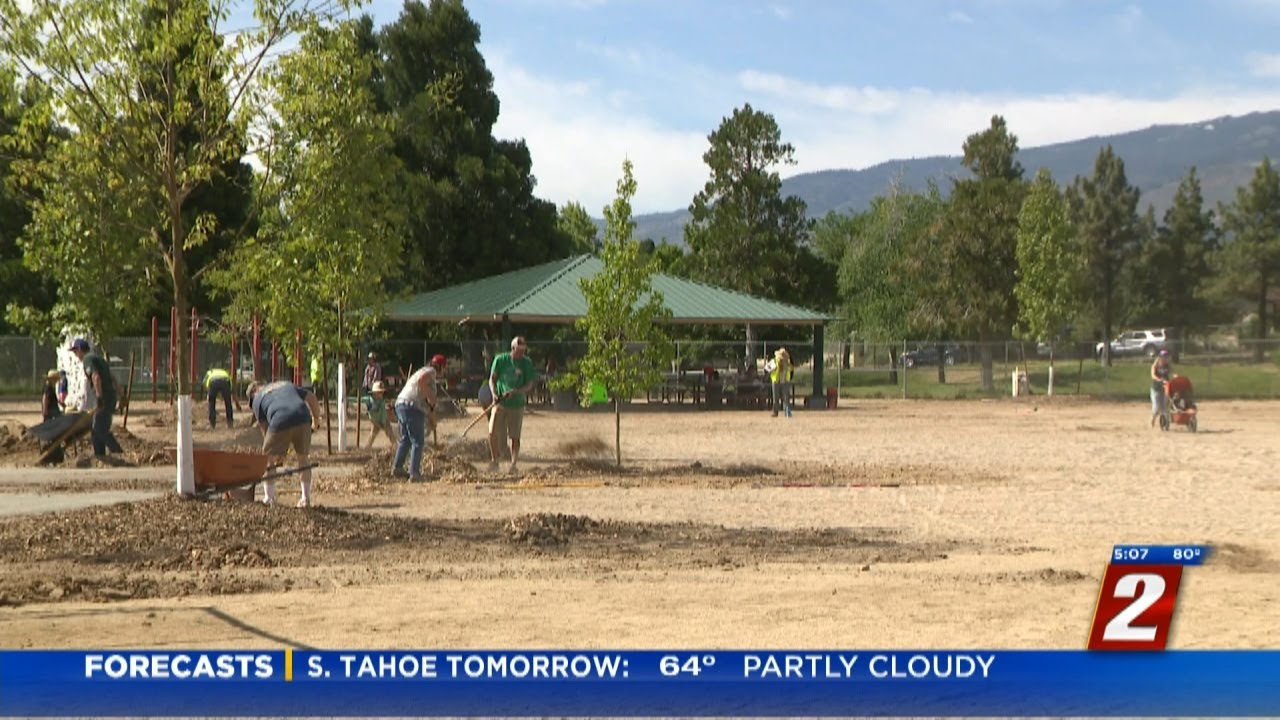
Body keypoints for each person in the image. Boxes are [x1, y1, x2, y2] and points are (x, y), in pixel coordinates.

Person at [247, 381, 321, 507]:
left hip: (280, 419)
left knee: (268, 460)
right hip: (303, 417)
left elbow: (266, 430)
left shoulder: (257, 399)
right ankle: (305, 499)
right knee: (303, 459)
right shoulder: (285, 384)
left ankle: (269, 498)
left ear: (253, 393)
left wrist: (276, 452)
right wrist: (316, 420)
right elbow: (312, 398)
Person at [487, 336, 536, 474]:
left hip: (517, 405)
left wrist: (516, 391)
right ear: (512, 348)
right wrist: (494, 394)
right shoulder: (500, 360)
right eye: (519, 350)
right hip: (499, 403)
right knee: (492, 432)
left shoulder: (527, 363)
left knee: (515, 436)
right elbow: (492, 379)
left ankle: (513, 464)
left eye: (523, 350)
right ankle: (494, 460)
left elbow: (529, 384)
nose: (521, 353)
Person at [69, 338, 124, 458]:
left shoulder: (87, 359)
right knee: (97, 430)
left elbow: (96, 377)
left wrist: (99, 397)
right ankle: (100, 456)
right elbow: (112, 377)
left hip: (103, 398)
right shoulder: (99, 359)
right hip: (110, 397)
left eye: (75, 351)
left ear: (80, 349)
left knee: (99, 429)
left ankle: (118, 453)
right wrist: (121, 395)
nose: (75, 355)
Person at [392, 356, 442, 481]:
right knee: (418, 441)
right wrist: (430, 397)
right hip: (411, 406)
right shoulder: (431, 371)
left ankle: (397, 467)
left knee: (406, 439)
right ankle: (414, 473)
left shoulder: (422, 372)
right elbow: (421, 381)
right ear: (440, 367)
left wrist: (432, 420)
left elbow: (428, 407)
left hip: (400, 404)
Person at [364, 381, 394, 449]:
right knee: (373, 434)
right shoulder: (370, 401)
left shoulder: (382, 401)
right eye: (379, 392)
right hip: (375, 421)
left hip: (384, 420)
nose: (381, 394)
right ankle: (367, 447)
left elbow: (383, 413)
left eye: (382, 392)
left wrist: (384, 422)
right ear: (374, 393)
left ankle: (395, 445)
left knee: (390, 433)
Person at [768, 347, 794, 418]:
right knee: (775, 398)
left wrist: (788, 365)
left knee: (786, 398)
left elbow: (791, 369)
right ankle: (775, 412)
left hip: (785, 381)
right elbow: (767, 368)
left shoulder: (787, 363)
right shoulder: (774, 361)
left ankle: (787, 412)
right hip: (776, 381)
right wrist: (772, 369)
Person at [1150, 349, 1172, 428]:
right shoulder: (1155, 366)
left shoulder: (1168, 366)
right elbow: (1153, 375)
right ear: (1160, 357)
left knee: (1165, 406)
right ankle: (1153, 418)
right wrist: (1159, 379)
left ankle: (1165, 421)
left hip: (1165, 388)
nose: (1165, 358)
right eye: (1163, 357)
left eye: (1166, 357)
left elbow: (1172, 372)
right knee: (1156, 407)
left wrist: (1175, 376)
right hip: (1156, 388)